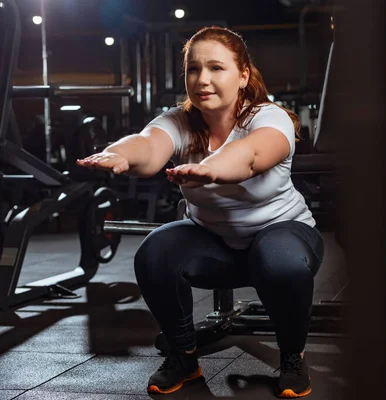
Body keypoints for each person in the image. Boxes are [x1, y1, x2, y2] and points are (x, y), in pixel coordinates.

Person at [77, 26, 323, 398]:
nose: (202, 79)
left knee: (279, 260)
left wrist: (214, 167)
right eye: (194, 69)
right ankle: (183, 357)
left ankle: (292, 356)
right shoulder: (180, 120)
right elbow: (148, 145)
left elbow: (253, 155)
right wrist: (120, 154)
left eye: (216, 68)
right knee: (155, 252)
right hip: (217, 245)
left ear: (242, 76)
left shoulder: (270, 118)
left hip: (284, 236)